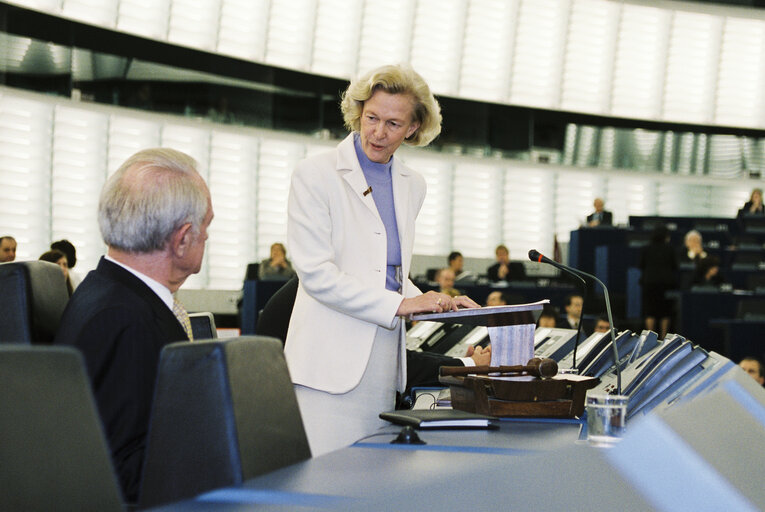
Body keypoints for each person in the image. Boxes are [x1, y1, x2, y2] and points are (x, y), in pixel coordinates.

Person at [285, 64, 480, 456]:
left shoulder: (414, 185)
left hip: (381, 367)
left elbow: (388, 273)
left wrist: (434, 301)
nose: (378, 132)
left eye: (393, 123)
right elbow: (316, 275)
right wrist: (403, 303)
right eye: (371, 118)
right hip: (325, 367)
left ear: (413, 128)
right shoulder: (315, 174)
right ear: (358, 112)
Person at [54, 148, 214, 503]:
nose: (207, 238)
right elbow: (123, 474)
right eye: (206, 226)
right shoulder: (125, 321)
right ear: (183, 238)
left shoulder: (108, 293)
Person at [639, 225, 678, 339]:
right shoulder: (670, 249)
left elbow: (641, 265)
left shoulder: (646, 248)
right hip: (666, 284)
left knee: (649, 310)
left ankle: (649, 337)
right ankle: (664, 337)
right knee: (665, 311)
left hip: (649, 283)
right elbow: (675, 266)